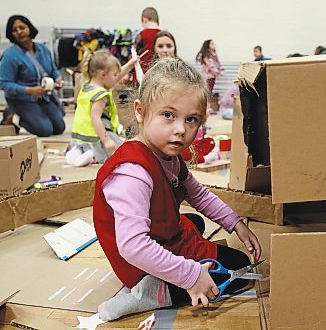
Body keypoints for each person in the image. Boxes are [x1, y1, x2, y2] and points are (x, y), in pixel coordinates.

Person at [93, 58, 261, 321]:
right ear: (140, 111)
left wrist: (235, 223)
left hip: (158, 235)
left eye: (191, 119)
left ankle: (171, 272)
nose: (180, 129)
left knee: (193, 221)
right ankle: (150, 292)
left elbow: (199, 195)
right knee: (237, 268)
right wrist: (190, 275)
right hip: (135, 261)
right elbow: (133, 246)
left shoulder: (167, 155)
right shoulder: (133, 173)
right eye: (168, 115)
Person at [65, 50, 136, 167]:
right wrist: (106, 140)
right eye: (114, 75)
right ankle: (92, 156)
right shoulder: (100, 96)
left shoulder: (87, 87)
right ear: (103, 75)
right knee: (121, 152)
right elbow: (96, 118)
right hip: (97, 136)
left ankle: (78, 151)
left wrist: (130, 64)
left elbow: (115, 77)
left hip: (81, 136)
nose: (117, 78)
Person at [0, 15, 65, 136]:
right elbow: (3, 84)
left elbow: (53, 69)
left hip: (43, 97)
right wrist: (30, 90)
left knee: (59, 127)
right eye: (15, 30)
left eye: (22, 27)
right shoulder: (10, 55)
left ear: (29, 28)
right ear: (11, 34)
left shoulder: (43, 49)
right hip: (21, 99)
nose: (19, 32)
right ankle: (12, 114)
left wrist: (58, 78)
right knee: (44, 131)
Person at [196, 39, 223, 114]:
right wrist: (218, 72)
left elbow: (218, 63)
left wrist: (221, 70)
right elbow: (211, 66)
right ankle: (206, 109)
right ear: (208, 45)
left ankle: (208, 108)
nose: (214, 45)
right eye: (212, 44)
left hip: (212, 77)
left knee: (209, 92)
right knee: (207, 93)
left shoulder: (214, 55)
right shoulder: (206, 55)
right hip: (208, 77)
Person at [135, 7, 161, 72]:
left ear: (145, 19)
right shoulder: (162, 35)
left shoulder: (142, 34)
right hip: (158, 69)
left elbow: (134, 51)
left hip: (143, 69)